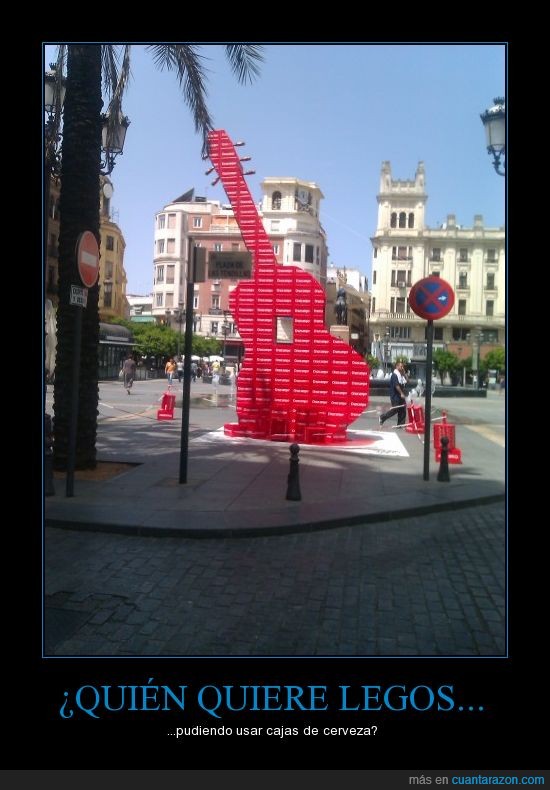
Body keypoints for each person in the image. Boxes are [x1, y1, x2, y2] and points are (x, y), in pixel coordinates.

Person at [379, 360, 408, 427]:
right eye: (401, 366)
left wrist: (404, 374)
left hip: (400, 396)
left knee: (403, 409)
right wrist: (401, 393)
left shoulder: (401, 375)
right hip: (395, 396)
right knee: (395, 409)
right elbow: (396, 386)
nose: (402, 368)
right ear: (397, 367)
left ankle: (400, 424)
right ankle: (382, 417)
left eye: (403, 366)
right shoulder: (394, 375)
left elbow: (407, 381)